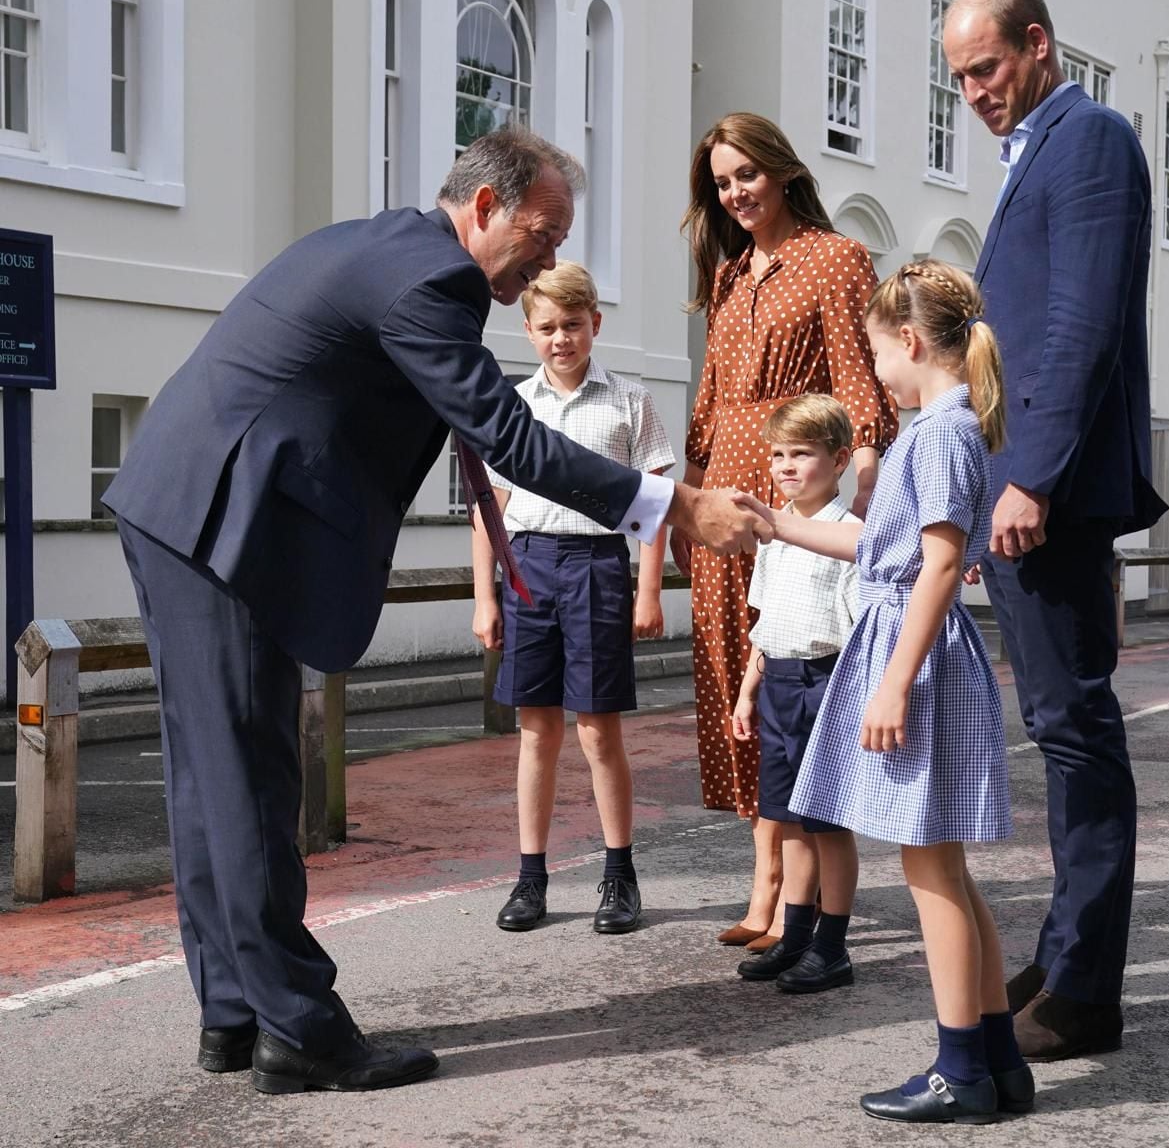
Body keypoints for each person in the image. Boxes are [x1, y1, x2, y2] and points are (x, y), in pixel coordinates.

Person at [102, 126, 769, 1095]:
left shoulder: (390, 247)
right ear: (488, 207)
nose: (551, 256)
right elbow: (511, 439)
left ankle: (237, 1014)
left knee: (211, 781)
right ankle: (299, 1031)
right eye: (544, 233)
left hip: (184, 506)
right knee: (246, 780)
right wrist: (679, 505)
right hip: (220, 521)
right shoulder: (432, 281)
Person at [743, 261, 1033, 1123]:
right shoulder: (943, 426)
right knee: (943, 867)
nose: (876, 372)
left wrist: (894, 682)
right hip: (914, 642)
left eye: (877, 355)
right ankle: (994, 1061)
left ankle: (960, 1070)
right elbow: (885, 551)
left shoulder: (937, 433)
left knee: (929, 868)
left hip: (918, 654)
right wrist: (777, 523)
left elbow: (939, 562)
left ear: (908, 342)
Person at [943, 0, 1167, 1061]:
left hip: (1053, 496)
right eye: (959, 79)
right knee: (1062, 732)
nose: (974, 92)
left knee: (1078, 735)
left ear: (1037, 45)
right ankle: (1063, 954)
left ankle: (1083, 988)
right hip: (1030, 489)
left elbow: (1077, 325)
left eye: (985, 68)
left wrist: (1026, 477)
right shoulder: (1042, 147)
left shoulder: (1092, 138)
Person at [673, 113, 897, 951]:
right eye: (722, 183)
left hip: (792, 492)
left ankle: (788, 886)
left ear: (781, 170)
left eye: (746, 175)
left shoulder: (835, 258)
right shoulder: (730, 276)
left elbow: (858, 380)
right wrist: (686, 499)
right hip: (722, 501)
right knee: (735, 680)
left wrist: (866, 474)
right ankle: (763, 872)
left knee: (791, 677)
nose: (735, 193)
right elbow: (707, 401)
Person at [470, 261, 675, 936]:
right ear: (527, 330)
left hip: (597, 567)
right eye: (548, 327)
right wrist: (486, 598)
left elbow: (654, 505)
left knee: (597, 730)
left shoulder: (629, 402)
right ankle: (531, 878)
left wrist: (649, 589)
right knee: (537, 730)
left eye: (574, 325)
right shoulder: (514, 406)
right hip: (528, 566)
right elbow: (489, 512)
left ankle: (619, 874)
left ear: (596, 323)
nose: (562, 339)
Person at [729, 394, 861, 989]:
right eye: (778, 453)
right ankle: (796, 935)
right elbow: (767, 623)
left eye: (801, 454)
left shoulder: (851, 535)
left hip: (827, 684)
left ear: (837, 461)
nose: (785, 465)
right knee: (788, 821)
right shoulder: (773, 533)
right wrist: (747, 692)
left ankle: (832, 947)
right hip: (779, 683)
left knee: (827, 824)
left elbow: (861, 629)